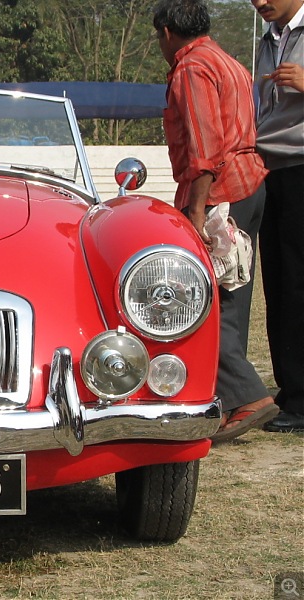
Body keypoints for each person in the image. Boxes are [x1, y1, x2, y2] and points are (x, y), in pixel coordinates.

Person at [152, 0, 278, 442]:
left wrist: (196, 210)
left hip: (219, 192)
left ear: (167, 32)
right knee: (233, 294)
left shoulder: (191, 68)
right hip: (250, 183)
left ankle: (247, 396)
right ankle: (229, 399)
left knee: (202, 298)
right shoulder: (229, 61)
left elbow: (204, 146)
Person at [251, 0, 304, 433]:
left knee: (298, 283)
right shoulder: (266, 40)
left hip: (302, 165)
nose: (259, 1)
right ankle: (292, 390)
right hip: (270, 168)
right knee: (281, 284)